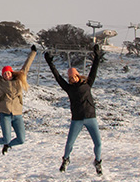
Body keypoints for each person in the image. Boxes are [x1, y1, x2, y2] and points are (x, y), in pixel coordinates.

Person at [44, 44, 105, 175]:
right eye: (70, 78)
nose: (72, 79)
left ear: (78, 76)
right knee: (69, 143)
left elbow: (94, 69)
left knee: (98, 143)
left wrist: (97, 56)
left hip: (90, 117)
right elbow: (57, 77)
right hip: (77, 119)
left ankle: (98, 162)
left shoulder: (88, 84)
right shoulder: (69, 88)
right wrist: (49, 62)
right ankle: (66, 160)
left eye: (74, 77)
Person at [0, 44, 37, 155]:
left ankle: (8, 146)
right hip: (5, 114)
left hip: (18, 115)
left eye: (8, 73)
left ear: (11, 73)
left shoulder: (19, 80)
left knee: (21, 139)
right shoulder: (0, 82)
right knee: (6, 138)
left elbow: (26, 66)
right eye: (4, 74)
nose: (6, 75)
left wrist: (33, 52)